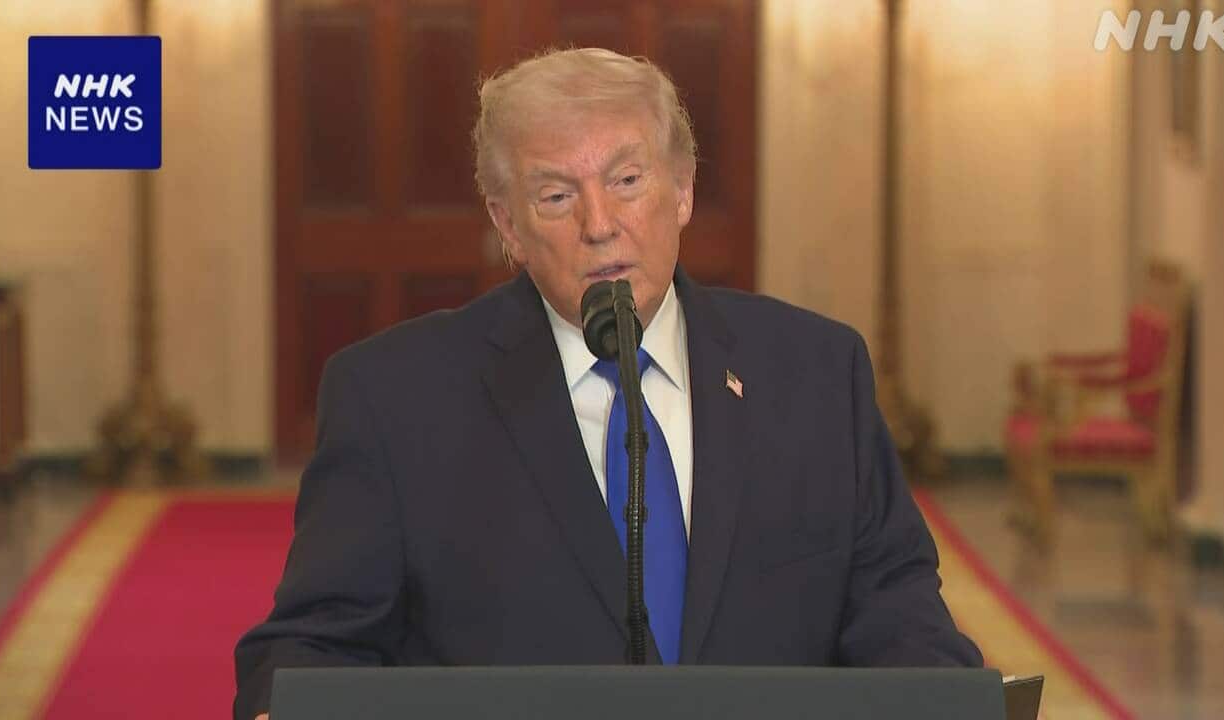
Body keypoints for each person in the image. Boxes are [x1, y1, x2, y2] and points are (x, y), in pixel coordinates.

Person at [234, 47, 981, 720]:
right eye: (557, 196)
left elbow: (897, 607)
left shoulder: (816, 371)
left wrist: (946, 699)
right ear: (509, 226)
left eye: (627, 180)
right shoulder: (395, 398)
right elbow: (311, 649)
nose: (600, 224)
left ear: (682, 190)